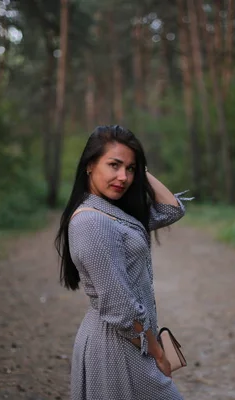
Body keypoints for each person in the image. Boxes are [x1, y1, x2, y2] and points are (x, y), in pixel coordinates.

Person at [55, 125, 191, 400]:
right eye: (114, 165)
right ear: (90, 165)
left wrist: (140, 170)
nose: (123, 177)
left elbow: (171, 210)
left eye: (130, 169)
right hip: (116, 346)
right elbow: (120, 308)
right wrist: (158, 355)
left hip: (131, 341)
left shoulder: (113, 212)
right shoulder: (92, 222)